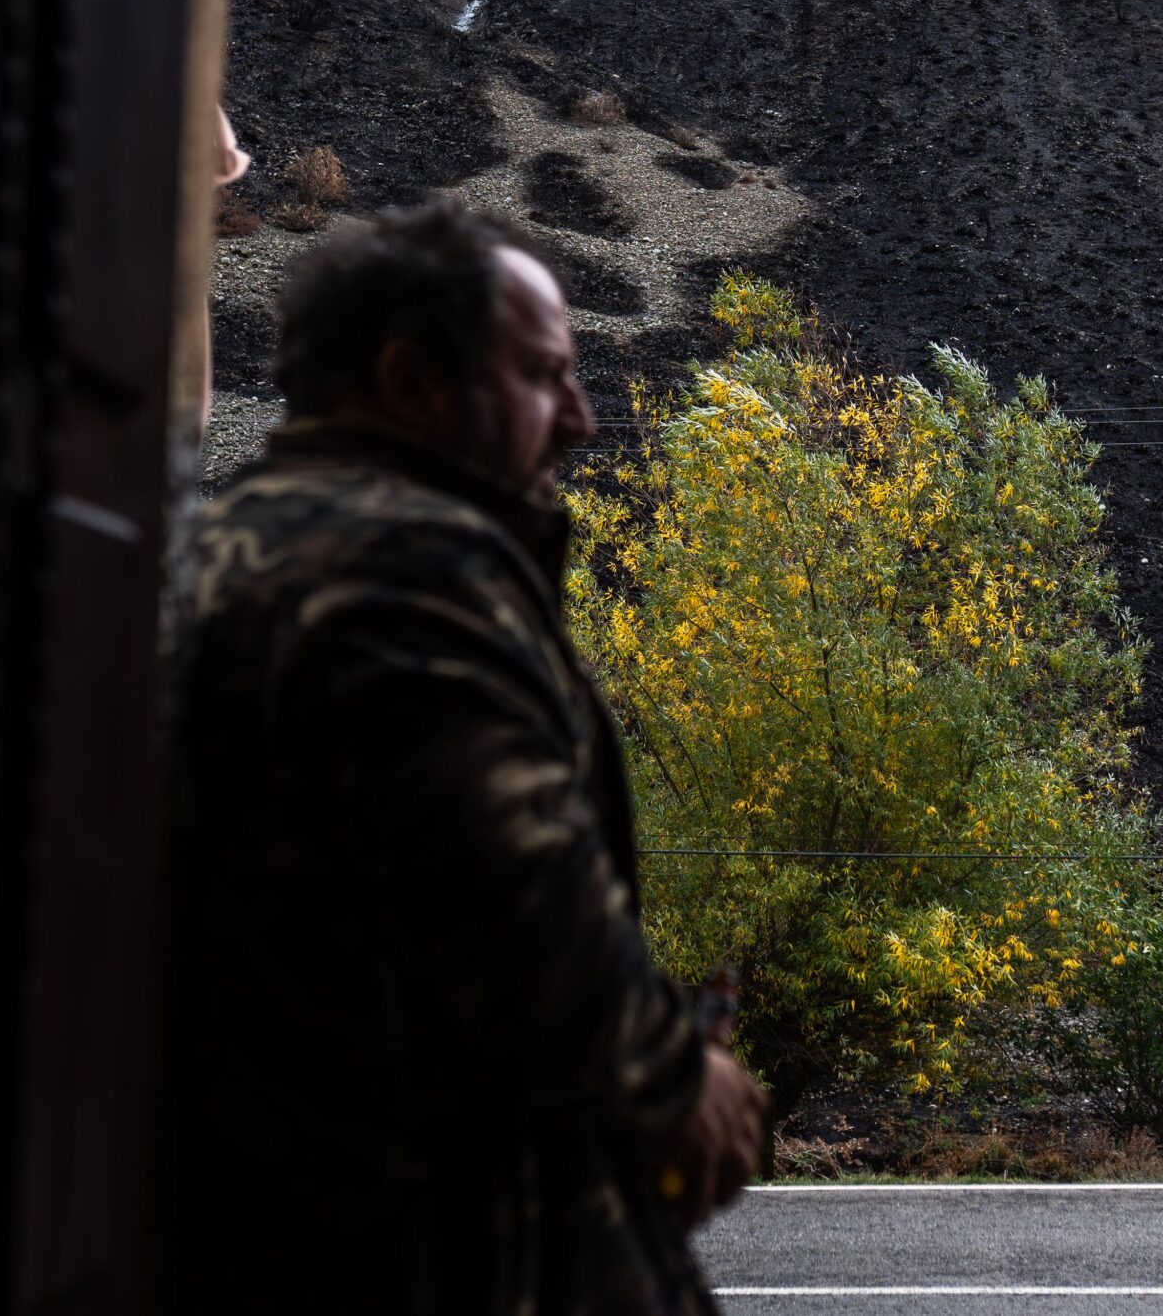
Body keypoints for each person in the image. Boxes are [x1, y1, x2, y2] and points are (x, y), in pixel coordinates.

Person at [165, 199, 768, 1313]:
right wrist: (678, 1077)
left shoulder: (244, 541)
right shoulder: (398, 569)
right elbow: (510, 887)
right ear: (411, 382)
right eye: (543, 375)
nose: (581, 419)